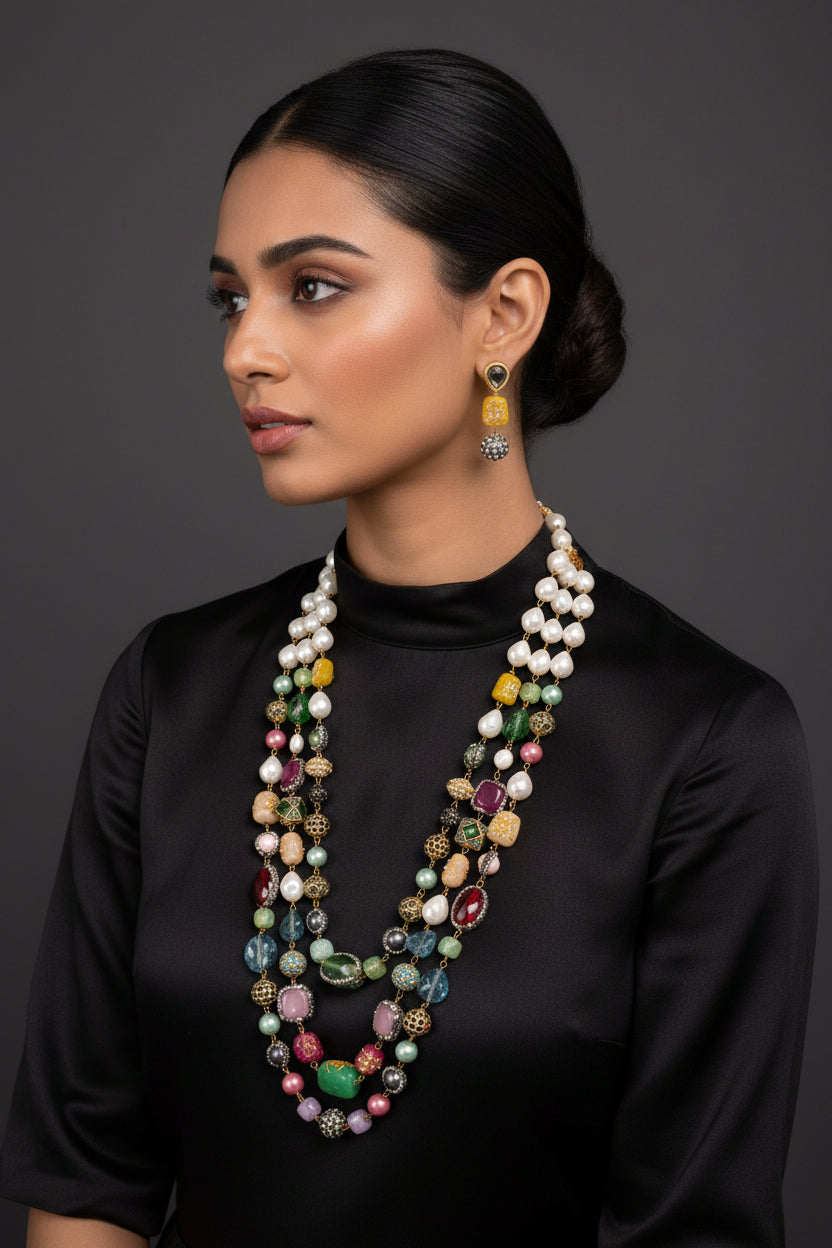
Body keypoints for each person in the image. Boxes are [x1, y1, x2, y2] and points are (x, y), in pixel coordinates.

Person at [0, 48, 818, 1248]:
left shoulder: (703, 741)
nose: (245, 350)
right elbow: (86, 1174)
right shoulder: (173, 689)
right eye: (232, 296)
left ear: (504, 314)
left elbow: (693, 1223)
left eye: (313, 287)